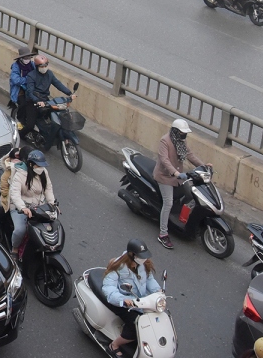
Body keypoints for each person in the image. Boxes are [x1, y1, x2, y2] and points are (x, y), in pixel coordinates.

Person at [101, 239, 162, 356]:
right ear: (132, 254)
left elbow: (149, 279)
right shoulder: (118, 266)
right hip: (123, 303)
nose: (144, 259)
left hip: (141, 302)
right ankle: (114, 345)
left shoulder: (144, 264)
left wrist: (158, 291)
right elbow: (109, 289)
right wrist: (123, 300)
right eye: (141, 256)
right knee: (137, 326)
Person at [153, 118, 206, 249]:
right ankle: (163, 234)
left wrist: (203, 166)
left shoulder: (181, 141)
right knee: (168, 202)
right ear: (176, 131)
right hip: (165, 176)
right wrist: (176, 174)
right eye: (182, 133)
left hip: (178, 177)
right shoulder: (165, 141)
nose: (184, 135)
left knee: (190, 195)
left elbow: (190, 155)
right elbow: (164, 160)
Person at [8, 149, 56, 255]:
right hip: (20, 208)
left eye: (42, 166)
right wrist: (23, 208)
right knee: (20, 230)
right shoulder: (20, 174)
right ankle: (14, 250)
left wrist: (52, 204)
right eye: (38, 166)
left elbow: (48, 188)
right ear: (30, 164)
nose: (41, 168)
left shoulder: (44, 172)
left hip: (39, 207)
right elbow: (14, 194)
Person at [22, 55, 73, 147]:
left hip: (45, 100)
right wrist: (37, 101)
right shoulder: (31, 76)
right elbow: (30, 92)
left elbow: (58, 84)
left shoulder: (50, 74)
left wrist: (69, 93)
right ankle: (20, 135)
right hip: (33, 102)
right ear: (37, 66)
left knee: (58, 116)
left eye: (46, 65)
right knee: (30, 125)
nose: (44, 68)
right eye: (42, 66)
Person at [9, 48, 38, 114]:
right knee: (23, 104)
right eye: (25, 58)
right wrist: (29, 79)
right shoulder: (16, 66)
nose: (27, 59)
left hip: (31, 88)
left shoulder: (32, 65)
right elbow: (16, 80)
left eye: (29, 57)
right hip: (20, 90)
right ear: (21, 58)